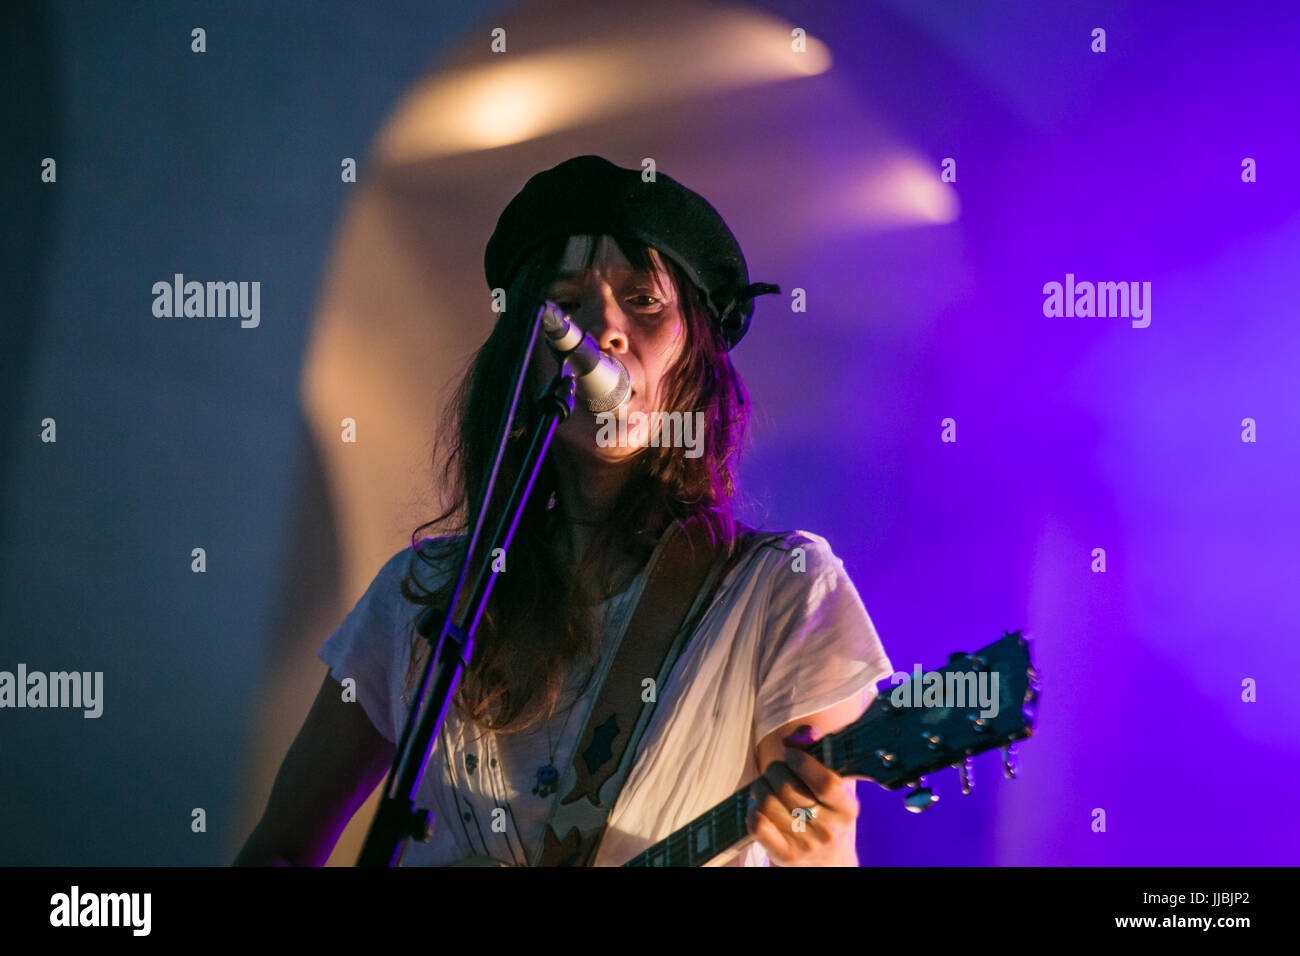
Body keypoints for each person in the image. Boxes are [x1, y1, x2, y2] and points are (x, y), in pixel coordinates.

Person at [235, 156, 893, 867]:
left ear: (694, 358)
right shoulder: (424, 595)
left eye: (644, 301)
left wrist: (826, 845)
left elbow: (818, 826)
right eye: (566, 301)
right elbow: (279, 847)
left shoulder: (783, 591)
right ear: (528, 356)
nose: (604, 328)